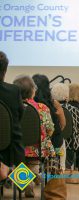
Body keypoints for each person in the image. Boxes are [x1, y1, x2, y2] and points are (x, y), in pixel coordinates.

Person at [13, 75, 56, 197]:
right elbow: (50, 129)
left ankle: (26, 182)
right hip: (38, 149)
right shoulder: (42, 108)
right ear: (33, 91)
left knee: (19, 165)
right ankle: (35, 175)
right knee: (34, 163)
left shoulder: (13, 108)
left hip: (17, 149)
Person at [0, 51, 24, 181]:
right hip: (10, 147)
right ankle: (22, 181)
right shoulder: (14, 91)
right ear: (5, 69)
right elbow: (20, 114)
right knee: (16, 133)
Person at [32, 74, 66, 165]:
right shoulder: (53, 103)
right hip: (51, 145)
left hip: (29, 146)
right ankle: (60, 170)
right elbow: (62, 125)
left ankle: (24, 178)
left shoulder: (27, 104)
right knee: (61, 145)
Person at [51, 83, 79, 170]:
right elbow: (78, 130)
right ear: (67, 96)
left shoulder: (49, 108)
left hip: (52, 146)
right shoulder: (74, 110)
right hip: (69, 148)